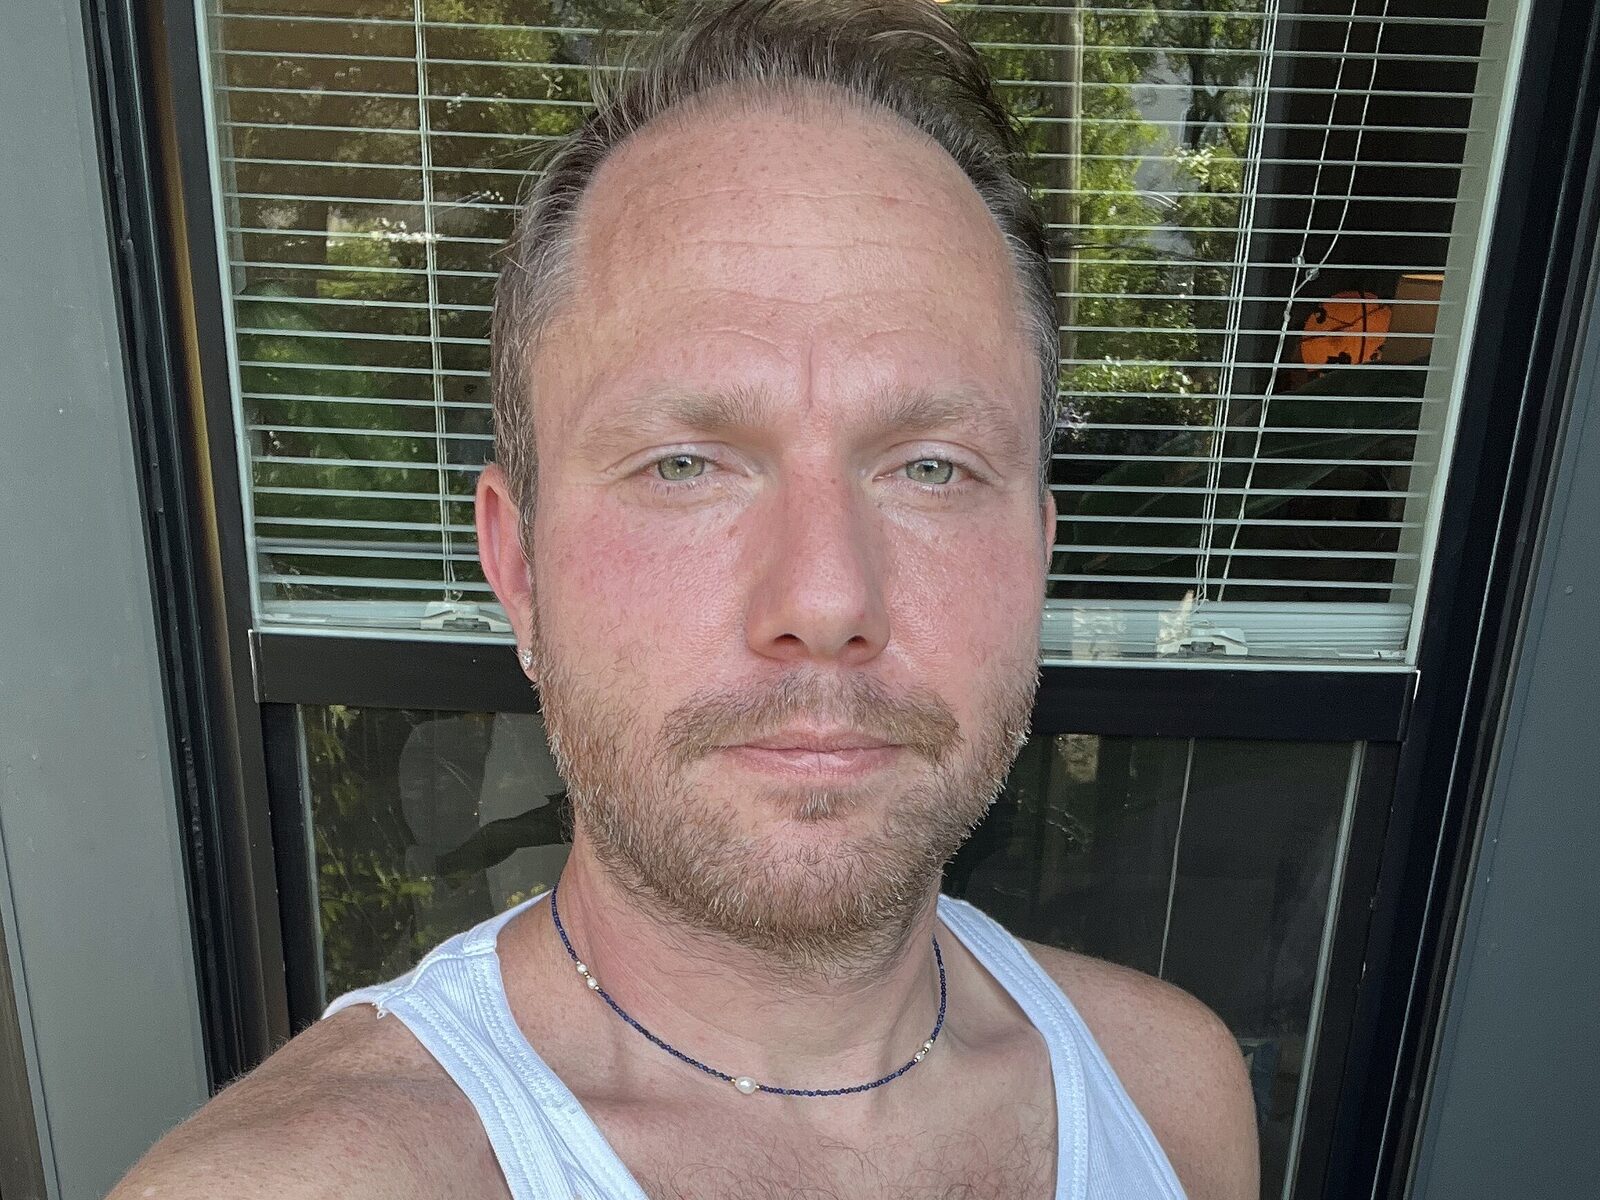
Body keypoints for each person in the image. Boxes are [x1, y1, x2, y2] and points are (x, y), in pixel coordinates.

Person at [109, 1, 1257, 1196]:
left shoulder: (1170, 1094)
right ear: (518, 568)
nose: (826, 599)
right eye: (683, 464)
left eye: (931, 468)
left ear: (1037, 552)